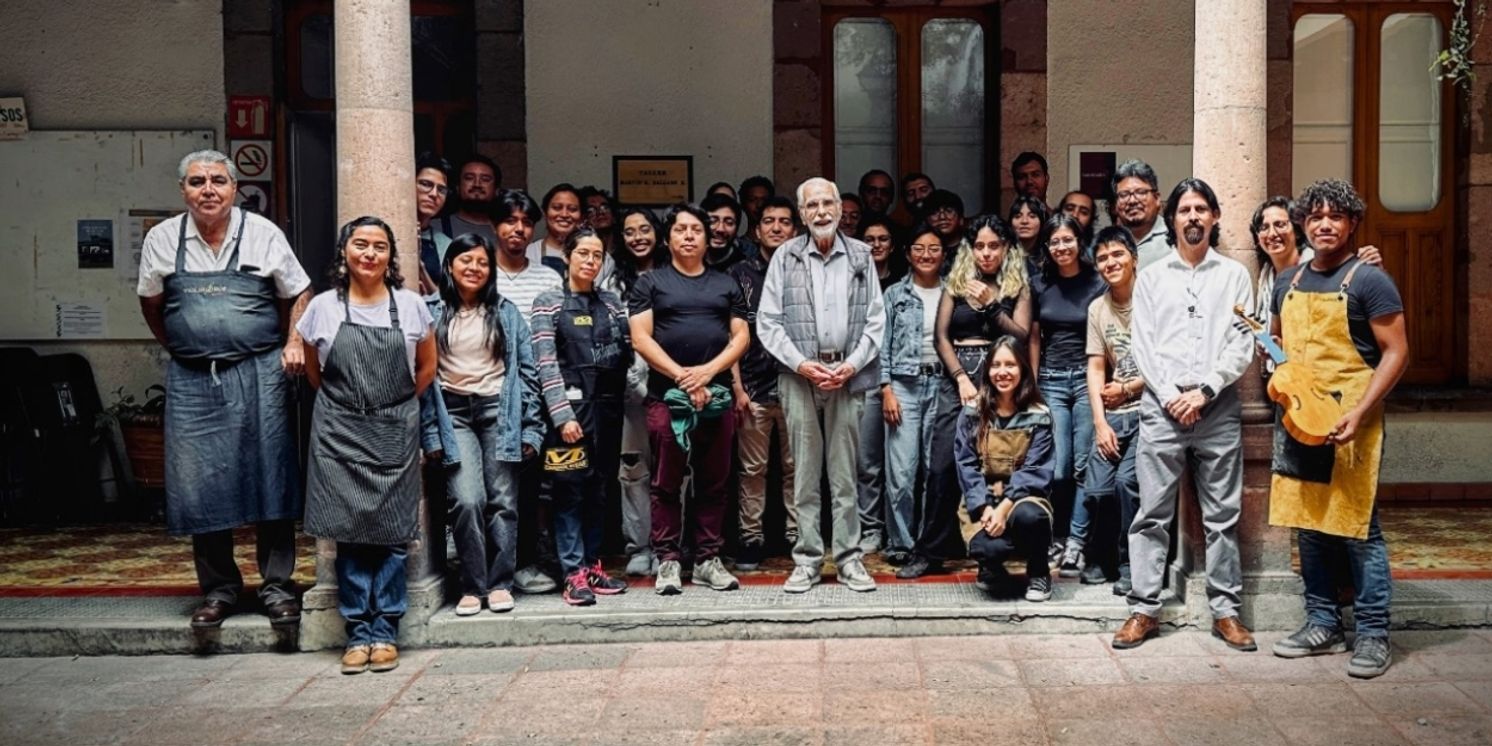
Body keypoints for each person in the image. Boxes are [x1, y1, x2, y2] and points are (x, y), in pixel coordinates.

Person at [137, 149, 311, 631]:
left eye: (218, 180)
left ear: (235, 189)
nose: (208, 190)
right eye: (197, 182)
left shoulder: (263, 234)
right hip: (193, 377)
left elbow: (298, 292)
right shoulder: (161, 239)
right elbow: (152, 304)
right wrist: (190, 344)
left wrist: (292, 341)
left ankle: (277, 587)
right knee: (202, 484)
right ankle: (219, 590)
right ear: (183, 191)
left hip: (259, 371)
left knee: (271, 475)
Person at [1268, 179, 1407, 679]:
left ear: (1351, 225)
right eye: (1316, 216)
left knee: (1358, 528)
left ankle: (1372, 634)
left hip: (1353, 419)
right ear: (1305, 222)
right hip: (1300, 417)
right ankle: (1322, 623)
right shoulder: (1288, 281)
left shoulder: (1369, 280)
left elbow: (1397, 352)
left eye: (1336, 216)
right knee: (1309, 524)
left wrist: (1362, 411)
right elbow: (1280, 343)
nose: (1325, 224)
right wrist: (1275, 365)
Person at [1115, 178, 1256, 652]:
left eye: (1201, 209)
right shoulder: (1153, 277)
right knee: (1151, 513)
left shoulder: (1235, 275)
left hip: (1217, 408)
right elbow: (1144, 344)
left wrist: (1206, 391)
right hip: (1162, 408)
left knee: (1222, 517)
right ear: (1170, 219)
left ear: (1214, 217)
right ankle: (1144, 609)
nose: (1193, 217)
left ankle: (1226, 612)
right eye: (1184, 210)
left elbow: (1243, 340)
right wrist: (1175, 394)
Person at [298, 216, 436, 674]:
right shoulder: (322, 307)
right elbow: (316, 375)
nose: (370, 254)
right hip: (339, 430)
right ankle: (359, 630)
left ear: (391, 256)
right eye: (361, 244)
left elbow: (426, 369)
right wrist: (352, 407)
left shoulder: (412, 306)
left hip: (395, 426)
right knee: (349, 534)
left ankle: (386, 629)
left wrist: (390, 408)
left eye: (380, 246)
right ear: (344, 252)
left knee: (394, 535)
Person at [758, 177, 885, 594]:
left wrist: (850, 365)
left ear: (840, 207)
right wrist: (802, 363)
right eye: (811, 205)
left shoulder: (862, 256)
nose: (821, 212)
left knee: (845, 475)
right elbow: (768, 322)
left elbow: (876, 321)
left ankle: (849, 560)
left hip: (848, 377)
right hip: (799, 377)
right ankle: (808, 560)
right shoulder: (784, 257)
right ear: (801, 213)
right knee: (805, 474)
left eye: (827, 202)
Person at [628, 203, 750, 595]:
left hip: (715, 398)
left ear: (706, 237)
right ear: (668, 238)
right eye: (681, 229)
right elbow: (641, 337)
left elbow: (742, 337)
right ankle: (667, 560)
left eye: (696, 229)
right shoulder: (650, 283)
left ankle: (707, 561)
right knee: (666, 483)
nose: (689, 236)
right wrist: (682, 376)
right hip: (668, 397)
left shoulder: (726, 283)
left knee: (714, 482)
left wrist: (707, 373)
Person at [422, 233, 544, 617]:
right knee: (466, 498)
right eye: (465, 261)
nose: (474, 268)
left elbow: (529, 373)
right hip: (453, 414)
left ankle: (500, 583)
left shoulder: (506, 312)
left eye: (482, 263)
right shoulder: (430, 311)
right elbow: (423, 378)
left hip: (499, 411)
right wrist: (429, 433)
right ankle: (472, 586)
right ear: (450, 266)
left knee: (503, 502)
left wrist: (531, 428)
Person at [908, 214, 1031, 579]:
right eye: (979, 246)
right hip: (958, 375)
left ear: (1006, 248)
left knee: (993, 464)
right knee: (943, 464)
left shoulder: (1017, 286)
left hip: (1000, 376)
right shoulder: (957, 283)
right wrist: (960, 377)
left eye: (994, 246)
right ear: (970, 249)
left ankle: (988, 555)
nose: (987, 253)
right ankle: (930, 551)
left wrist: (993, 305)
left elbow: (1021, 335)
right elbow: (941, 337)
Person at [532, 228, 634, 606]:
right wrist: (562, 416)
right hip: (570, 417)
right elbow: (544, 363)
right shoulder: (548, 302)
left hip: (607, 411)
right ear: (568, 257)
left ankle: (593, 564)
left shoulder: (611, 302)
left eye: (597, 255)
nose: (590, 261)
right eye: (583, 254)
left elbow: (628, 352)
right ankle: (572, 572)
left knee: (599, 490)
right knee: (569, 492)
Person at [491, 189, 565, 594]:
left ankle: (529, 561)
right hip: (491, 389)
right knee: (498, 483)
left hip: (539, 391)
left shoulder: (549, 276)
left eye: (524, 222)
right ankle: (495, 564)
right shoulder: (483, 272)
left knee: (536, 481)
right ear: (494, 226)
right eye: (509, 220)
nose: (517, 229)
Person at [1029, 213, 1107, 575]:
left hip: (1087, 378)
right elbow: (1032, 336)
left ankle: (1076, 543)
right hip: (1052, 380)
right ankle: (1056, 536)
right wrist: (1032, 383)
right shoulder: (1040, 283)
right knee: (1057, 468)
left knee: (1081, 467)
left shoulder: (1097, 281)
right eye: (1054, 241)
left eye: (1067, 240)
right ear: (1047, 246)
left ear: (1080, 241)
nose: (1061, 247)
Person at [727, 196, 801, 569]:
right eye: (768, 221)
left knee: (796, 468)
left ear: (795, 229)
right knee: (752, 471)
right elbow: (732, 336)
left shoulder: (804, 273)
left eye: (784, 222)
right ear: (756, 230)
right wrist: (737, 387)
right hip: (753, 387)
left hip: (797, 387)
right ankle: (751, 537)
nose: (776, 227)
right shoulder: (739, 275)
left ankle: (795, 537)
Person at [959, 336, 1057, 602]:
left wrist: (1005, 507)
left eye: (1011, 365)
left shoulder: (1039, 413)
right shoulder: (972, 412)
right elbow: (966, 464)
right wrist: (985, 507)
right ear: (987, 370)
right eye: (996, 365)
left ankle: (1039, 571)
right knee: (989, 547)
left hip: (1022, 496)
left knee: (1030, 518)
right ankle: (989, 568)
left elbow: (1036, 469)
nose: (1002, 372)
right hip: (984, 497)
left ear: (1023, 369)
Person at [878, 223, 946, 564]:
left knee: (935, 471)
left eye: (934, 248)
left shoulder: (953, 291)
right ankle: (901, 544)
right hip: (904, 386)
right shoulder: (894, 295)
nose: (926, 254)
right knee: (902, 473)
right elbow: (882, 346)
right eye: (919, 248)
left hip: (943, 386)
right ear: (907, 254)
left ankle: (930, 544)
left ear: (943, 254)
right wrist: (886, 388)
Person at [1082, 227, 1145, 595]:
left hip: (1148, 411)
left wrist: (1128, 389)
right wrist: (1100, 423)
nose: (1110, 263)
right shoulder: (1097, 307)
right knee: (1098, 490)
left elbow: (1167, 362)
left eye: (1118, 254)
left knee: (1127, 485)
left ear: (1134, 259)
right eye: (1103, 257)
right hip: (1112, 414)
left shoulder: (1152, 300)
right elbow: (1095, 367)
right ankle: (1101, 557)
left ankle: (1128, 565)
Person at [613, 207, 669, 576]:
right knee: (633, 467)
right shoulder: (612, 282)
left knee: (671, 466)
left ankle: (669, 545)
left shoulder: (674, 276)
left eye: (645, 229)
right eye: (630, 231)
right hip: (628, 388)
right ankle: (639, 546)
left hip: (669, 382)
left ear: (658, 233)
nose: (638, 237)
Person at [854, 213, 904, 553]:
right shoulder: (852, 283)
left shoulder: (904, 282)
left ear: (893, 245)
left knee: (901, 463)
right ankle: (871, 528)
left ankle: (899, 531)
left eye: (882, 239)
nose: (876, 245)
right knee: (867, 461)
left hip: (903, 380)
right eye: (869, 239)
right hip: (864, 380)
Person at [1111, 160, 1168, 271]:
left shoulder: (1177, 239)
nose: (1132, 200)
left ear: (1157, 198)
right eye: (1124, 194)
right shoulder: (1107, 243)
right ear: (1115, 205)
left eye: (1141, 192)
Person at [438, 155, 502, 248]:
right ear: (458, 187)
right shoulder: (436, 228)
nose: (477, 184)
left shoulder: (508, 232)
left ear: (497, 190)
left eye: (485, 179)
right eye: (469, 178)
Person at [415, 153, 453, 296]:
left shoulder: (445, 244)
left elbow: (448, 303)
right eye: (426, 184)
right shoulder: (382, 234)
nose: (434, 194)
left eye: (441, 190)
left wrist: (420, 268)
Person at [525, 183, 583, 275]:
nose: (564, 214)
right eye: (557, 208)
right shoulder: (528, 253)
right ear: (545, 213)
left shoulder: (597, 256)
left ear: (581, 217)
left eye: (572, 209)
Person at [702, 192, 749, 270]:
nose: (720, 229)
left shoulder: (744, 267)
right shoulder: (687, 260)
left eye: (729, 223)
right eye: (713, 221)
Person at [923, 189, 967, 261]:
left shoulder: (975, 248)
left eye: (949, 211)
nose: (942, 217)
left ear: (961, 219)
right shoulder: (921, 251)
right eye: (935, 212)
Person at [1008, 196, 1048, 273]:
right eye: (1018, 216)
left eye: (1032, 216)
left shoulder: (1049, 258)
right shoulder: (1002, 256)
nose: (1024, 221)